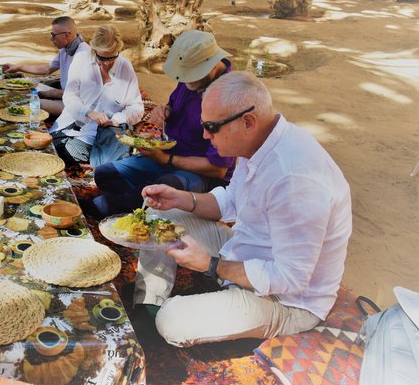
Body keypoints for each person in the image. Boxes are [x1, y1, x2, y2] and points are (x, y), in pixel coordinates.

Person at [136, 71, 352, 347]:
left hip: (288, 301)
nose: (205, 135)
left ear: (248, 121)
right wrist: (180, 199)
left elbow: (290, 279)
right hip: (246, 253)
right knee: (159, 215)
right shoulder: (258, 144)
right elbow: (231, 202)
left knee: (172, 320)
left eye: (211, 127)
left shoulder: (296, 179)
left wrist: (212, 265)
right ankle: (149, 304)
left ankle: (171, 314)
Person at [92, 30, 236, 217]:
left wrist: (166, 160)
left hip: (201, 174)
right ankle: (139, 201)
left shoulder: (228, 99)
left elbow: (218, 168)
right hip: (167, 156)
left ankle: (130, 204)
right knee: (105, 173)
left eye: (190, 77)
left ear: (209, 66)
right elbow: (173, 104)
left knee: (167, 185)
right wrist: (164, 110)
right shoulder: (191, 78)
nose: (185, 81)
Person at [49, 25, 144, 167]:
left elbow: (137, 107)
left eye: (112, 57)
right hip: (73, 126)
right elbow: (69, 97)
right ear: (93, 50)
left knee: (65, 151)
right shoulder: (82, 59)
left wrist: (117, 119)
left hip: (108, 133)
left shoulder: (125, 66)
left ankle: (103, 158)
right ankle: (102, 158)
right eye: (101, 57)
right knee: (54, 147)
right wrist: (88, 113)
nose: (106, 63)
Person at [1, 16, 90, 117]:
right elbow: (47, 69)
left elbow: (80, 94)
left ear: (66, 35)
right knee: (23, 95)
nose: (51, 39)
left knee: (32, 104)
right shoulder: (65, 49)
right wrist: (18, 67)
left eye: (53, 35)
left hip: (77, 105)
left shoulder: (84, 55)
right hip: (64, 96)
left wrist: (50, 94)